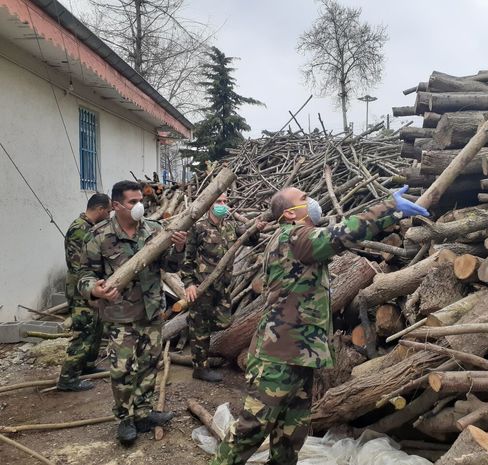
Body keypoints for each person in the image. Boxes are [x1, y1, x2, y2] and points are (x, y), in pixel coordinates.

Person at [210, 185, 429, 465]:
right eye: (303, 198)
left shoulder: (301, 241)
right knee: (251, 429)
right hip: (277, 357)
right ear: (290, 213)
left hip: (299, 355)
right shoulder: (292, 238)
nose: (310, 200)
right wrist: (389, 209)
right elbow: (340, 235)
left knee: (291, 433)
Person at [77, 180, 187, 446]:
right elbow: (83, 276)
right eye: (132, 202)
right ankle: (124, 419)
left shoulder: (155, 229)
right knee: (122, 370)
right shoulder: (100, 235)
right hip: (120, 316)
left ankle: (143, 413)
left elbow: (170, 265)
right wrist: (98, 290)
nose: (139, 206)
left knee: (150, 364)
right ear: (116, 206)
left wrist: (179, 248)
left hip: (151, 312)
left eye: (141, 200)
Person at [181, 192, 265, 382]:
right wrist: (189, 284)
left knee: (222, 323)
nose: (223, 204)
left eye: (225, 201)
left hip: (223, 286)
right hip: (203, 286)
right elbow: (187, 259)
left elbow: (251, 240)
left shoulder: (230, 225)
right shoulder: (199, 227)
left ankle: (207, 355)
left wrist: (257, 228)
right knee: (200, 327)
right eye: (218, 201)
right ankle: (200, 368)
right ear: (210, 204)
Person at [57, 193, 112, 392]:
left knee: (96, 329)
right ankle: (67, 378)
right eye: (108, 211)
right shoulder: (79, 230)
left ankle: (87, 365)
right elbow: (78, 267)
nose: (109, 215)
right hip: (81, 290)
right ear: (99, 209)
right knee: (83, 332)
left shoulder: (89, 228)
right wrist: (89, 294)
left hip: (90, 288)